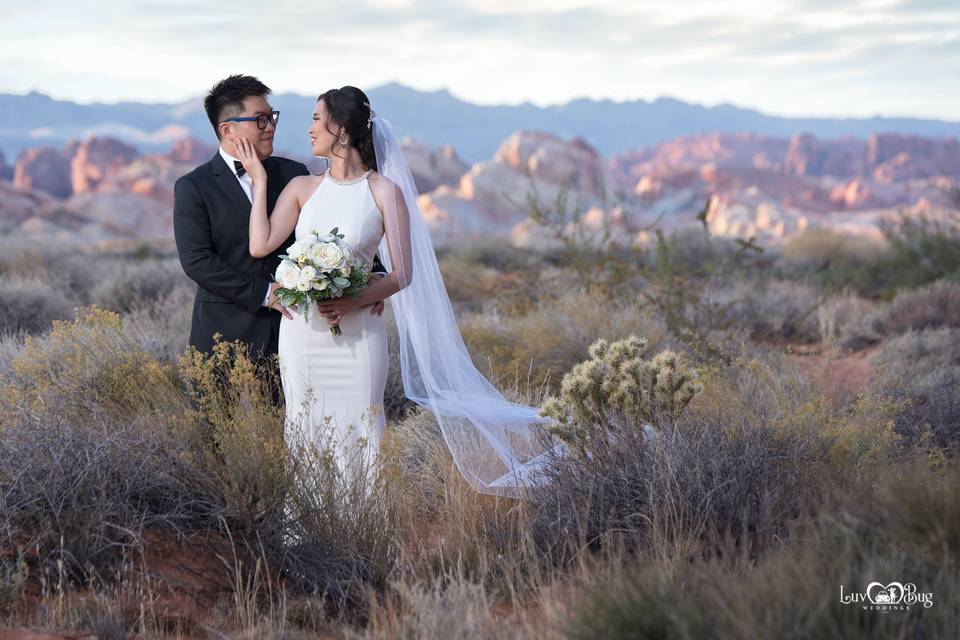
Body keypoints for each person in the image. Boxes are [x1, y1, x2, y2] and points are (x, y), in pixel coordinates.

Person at [236, 86, 559, 496]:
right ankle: (309, 535)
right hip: (303, 336)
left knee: (362, 429)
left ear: (342, 129)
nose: (310, 128)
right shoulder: (303, 187)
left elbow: (402, 273)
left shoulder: (384, 191)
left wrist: (354, 298)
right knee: (304, 425)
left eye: (317, 119)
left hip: (357, 338)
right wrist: (260, 181)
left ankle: (366, 535)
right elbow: (260, 245)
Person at [173, 75, 384, 366]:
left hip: (296, 332)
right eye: (260, 120)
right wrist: (265, 293)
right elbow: (197, 261)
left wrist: (369, 280)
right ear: (227, 129)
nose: (271, 126)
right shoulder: (194, 187)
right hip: (223, 336)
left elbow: (336, 227)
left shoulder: (291, 174)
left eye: (272, 117)